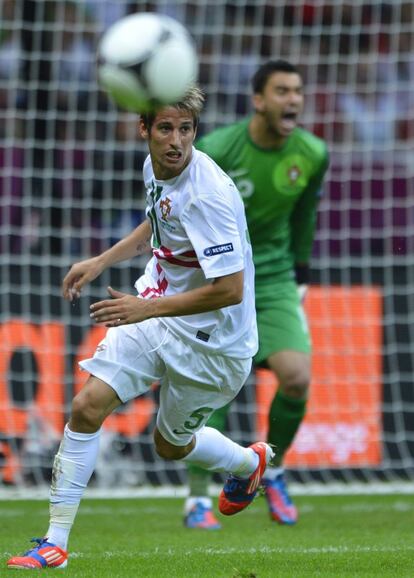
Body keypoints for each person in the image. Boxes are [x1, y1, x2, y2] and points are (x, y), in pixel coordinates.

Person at [6, 86, 274, 570]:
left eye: (186, 130)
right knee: (87, 406)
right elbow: (158, 223)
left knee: (169, 447)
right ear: (144, 130)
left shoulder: (209, 195)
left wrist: (145, 310)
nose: (176, 141)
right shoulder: (154, 167)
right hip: (154, 304)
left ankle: (248, 463)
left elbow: (231, 289)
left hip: (213, 345)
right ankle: (55, 543)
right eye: (166, 129)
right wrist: (102, 260)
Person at [184, 61, 329, 530]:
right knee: (211, 389)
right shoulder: (217, 149)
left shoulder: (312, 153)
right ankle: (198, 500)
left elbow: (304, 216)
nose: (293, 100)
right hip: (218, 277)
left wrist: (301, 274)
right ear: (259, 100)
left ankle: (275, 469)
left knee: (297, 377)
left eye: (298, 91)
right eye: (282, 90)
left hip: (273, 280)